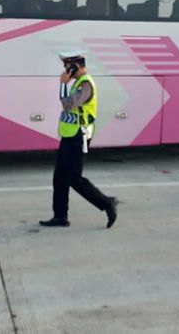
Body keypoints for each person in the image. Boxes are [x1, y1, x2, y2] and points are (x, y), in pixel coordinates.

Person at [39, 51, 118, 228]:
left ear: (75, 66)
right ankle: (60, 216)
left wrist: (62, 84)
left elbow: (68, 105)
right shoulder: (77, 84)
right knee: (59, 177)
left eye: (67, 66)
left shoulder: (86, 85)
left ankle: (107, 203)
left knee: (75, 179)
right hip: (69, 135)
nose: (65, 70)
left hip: (78, 137)